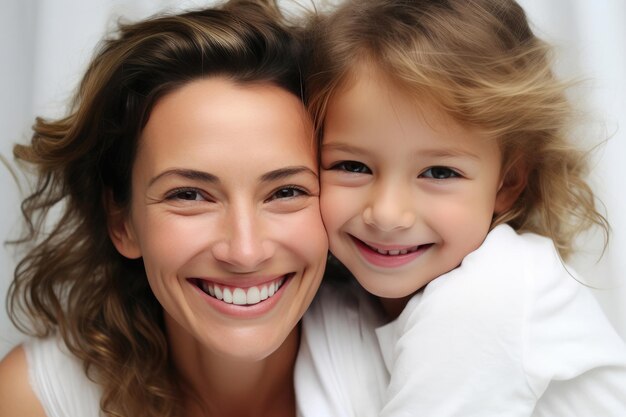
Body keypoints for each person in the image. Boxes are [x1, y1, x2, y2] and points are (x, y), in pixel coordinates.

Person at [296, 0, 626, 416]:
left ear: (507, 183)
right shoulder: (336, 309)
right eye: (352, 166)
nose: (386, 213)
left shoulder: (495, 291)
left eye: (438, 173)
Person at [0, 1, 328, 416]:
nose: (245, 251)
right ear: (122, 222)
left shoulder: (406, 362)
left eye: (285, 192)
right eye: (188, 195)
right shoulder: (36, 399)